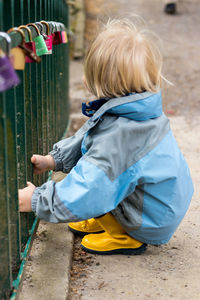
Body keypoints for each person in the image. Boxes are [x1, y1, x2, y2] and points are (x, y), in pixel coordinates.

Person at [19, 18, 193, 255]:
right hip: (160, 207)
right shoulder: (135, 112)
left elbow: (91, 185)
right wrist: (54, 160)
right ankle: (106, 219)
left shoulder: (123, 135)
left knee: (101, 182)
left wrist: (36, 200)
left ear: (104, 81)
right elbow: (90, 140)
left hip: (146, 221)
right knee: (108, 174)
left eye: (89, 72)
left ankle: (124, 236)